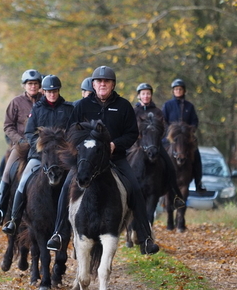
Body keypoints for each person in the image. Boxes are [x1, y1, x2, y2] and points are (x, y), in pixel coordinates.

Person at [46, 66, 160, 255]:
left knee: (134, 188)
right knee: (66, 186)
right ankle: (58, 233)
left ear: (113, 84)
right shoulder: (82, 106)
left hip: (115, 158)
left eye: (106, 81)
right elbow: (70, 131)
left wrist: (116, 144)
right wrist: (83, 146)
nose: (102, 84)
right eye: (99, 81)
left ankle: (145, 236)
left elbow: (132, 133)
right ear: (93, 84)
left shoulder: (123, 106)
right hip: (86, 160)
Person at [1, 75, 74, 237]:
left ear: (58, 91)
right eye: (49, 91)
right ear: (44, 92)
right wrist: (41, 146)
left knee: (75, 182)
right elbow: (29, 132)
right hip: (39, 155)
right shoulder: (38, 109)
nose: (52, 94)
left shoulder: (68, 109)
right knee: (23, 181)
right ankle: (14, 218)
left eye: (55, 91)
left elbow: (72, 132)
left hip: (61, 156)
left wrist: (64, 147)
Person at [0, 69, 43, 225]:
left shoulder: (44, 101)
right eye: (30, 84)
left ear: (40, 85)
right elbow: (8, 126)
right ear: (24, 85)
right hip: (22, 146)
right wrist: (19, 140)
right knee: (7, 173)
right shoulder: (16, 102)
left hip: (41, 147)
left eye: (35, 84)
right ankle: (0, 209)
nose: (33, 86)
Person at [134, 83, 184, 207]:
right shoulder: (134, 111)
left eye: (148, 93)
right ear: (139, 96)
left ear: (151, 95)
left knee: (170, 166)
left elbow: (165, 129)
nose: (146, 96)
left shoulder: (158, 112)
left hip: (155, 145)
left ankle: (175, 196)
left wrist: (159, 142)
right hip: (136, 145)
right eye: (143, 93)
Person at [161, 78, 205, 192]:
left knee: (196, 154)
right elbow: (163, 120)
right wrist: (169, 132)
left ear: (184, 91)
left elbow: (194, 121)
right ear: (173, 91)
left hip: (186, 138)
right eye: (176, 89)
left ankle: (198, 182)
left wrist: (190, 130)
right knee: (159, 152)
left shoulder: (189, 106)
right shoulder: (167, 105)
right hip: (171, 138)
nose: (178, 91)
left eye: (180, 89)